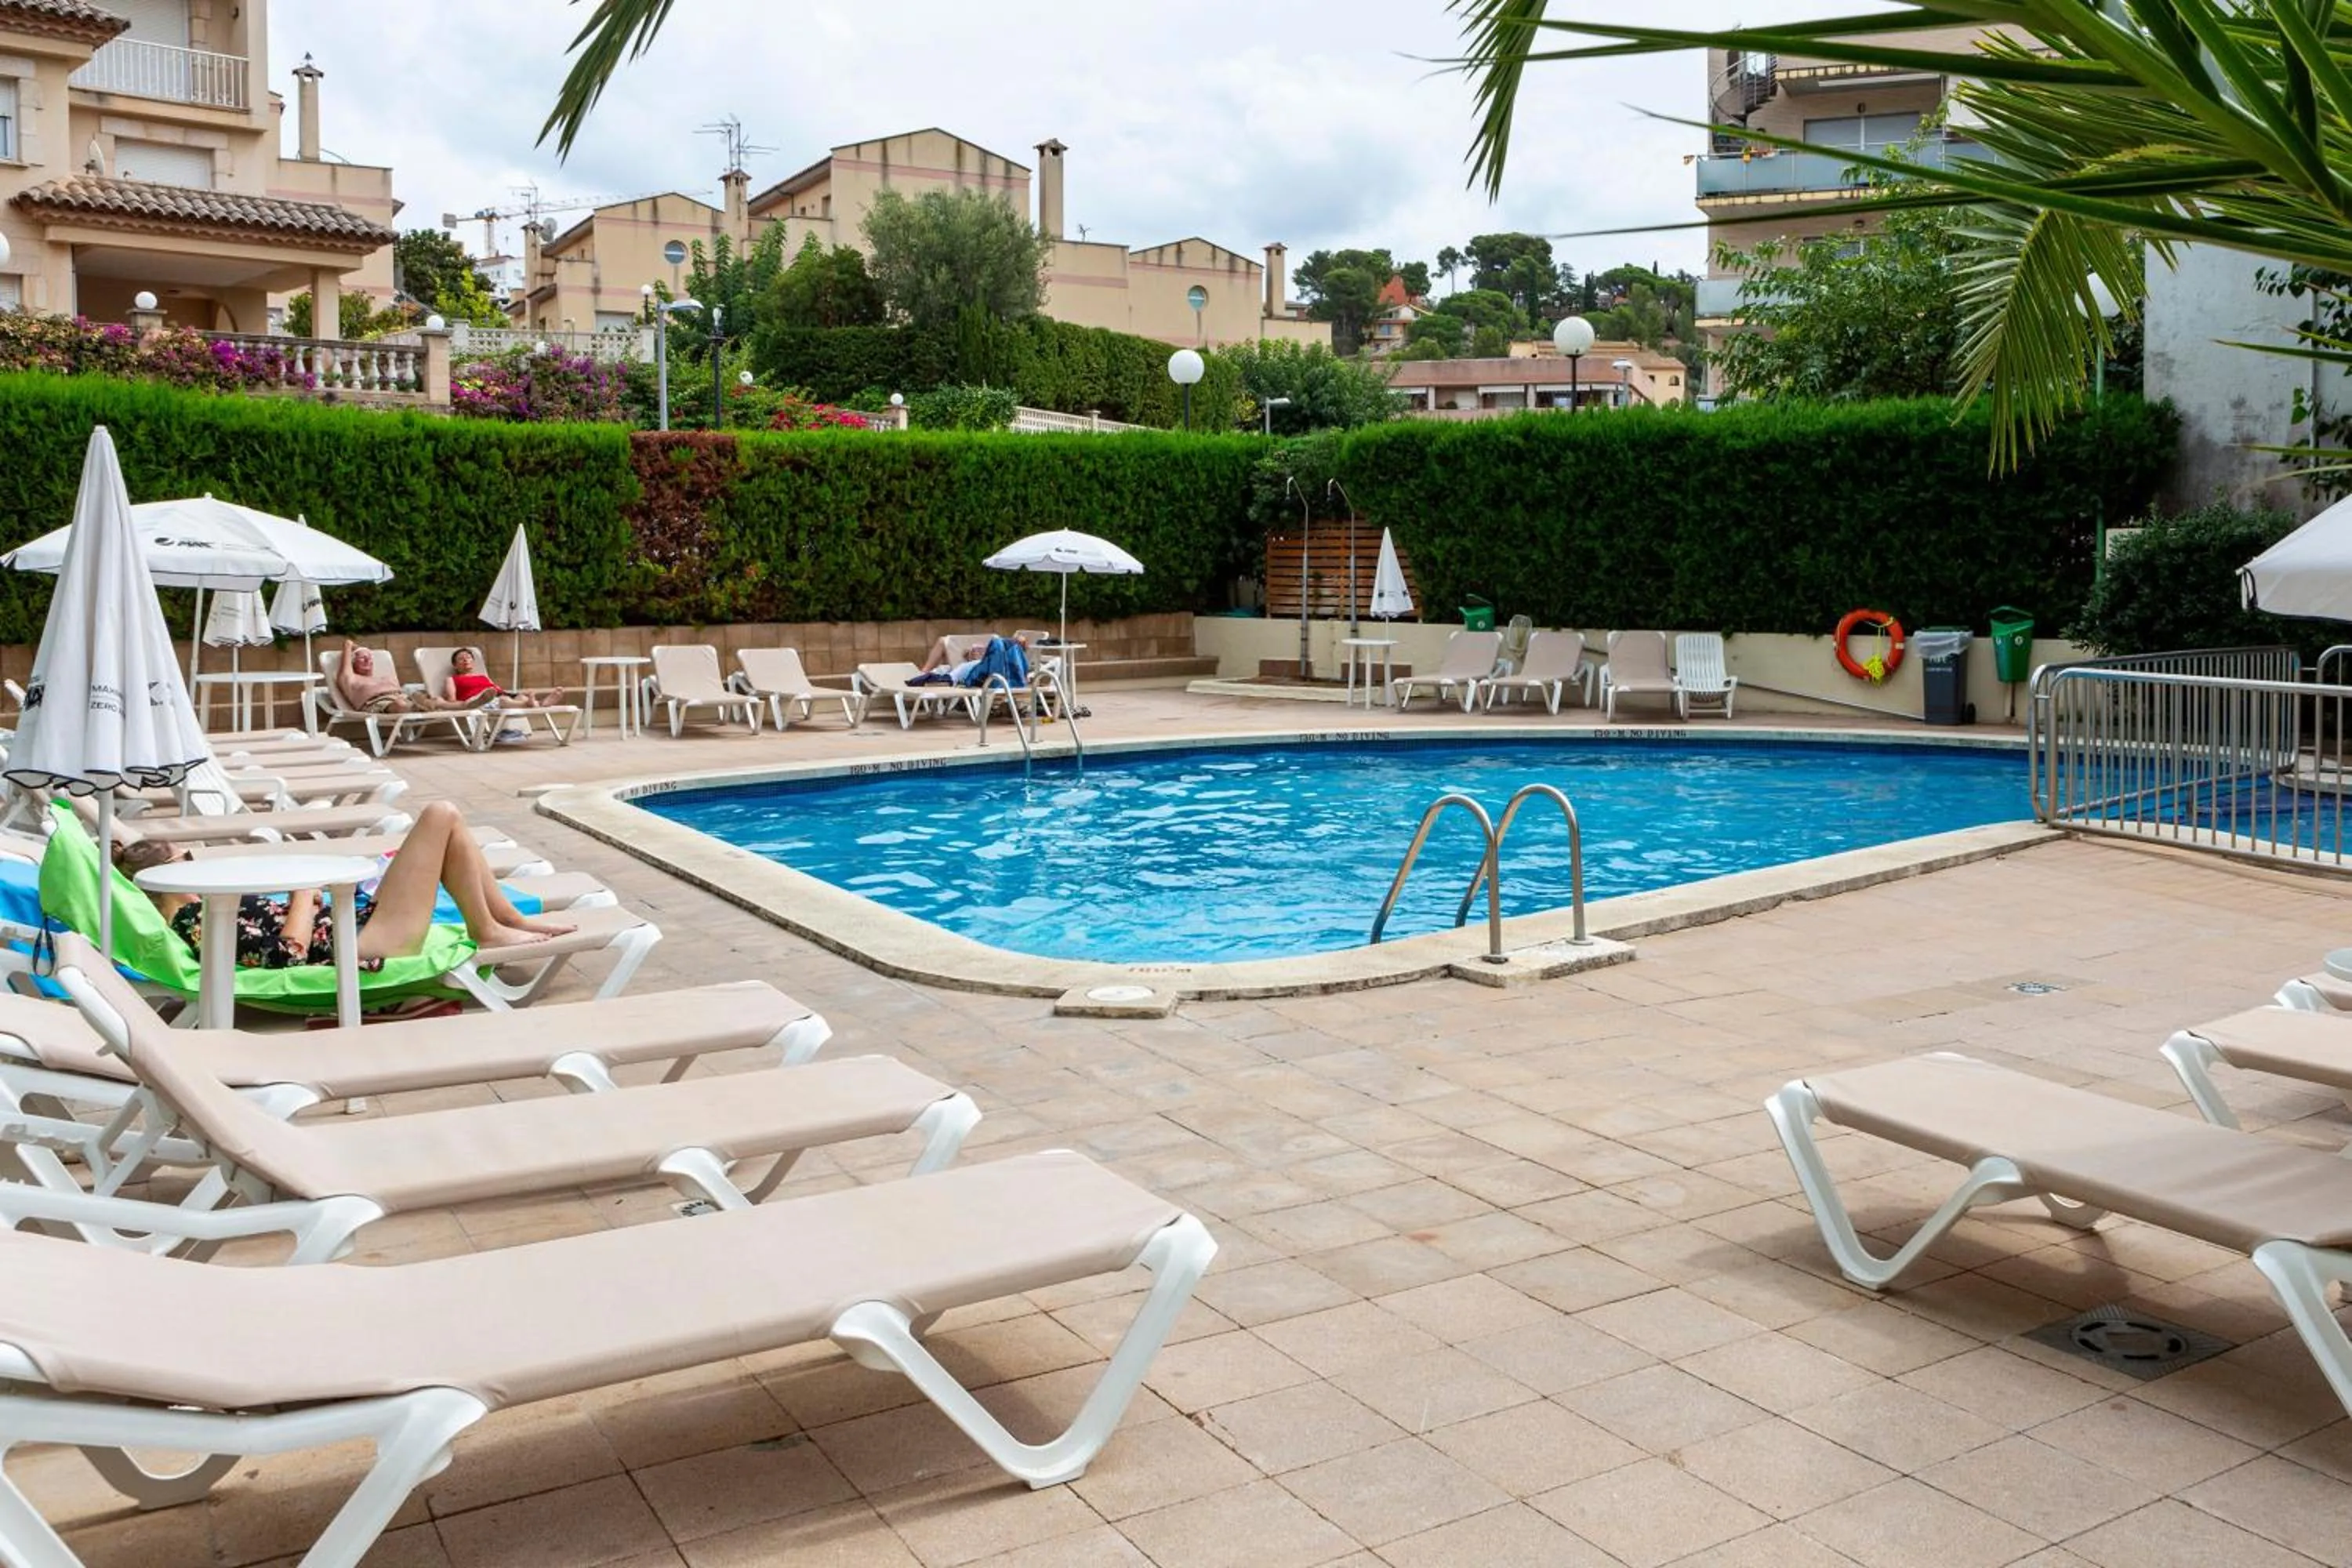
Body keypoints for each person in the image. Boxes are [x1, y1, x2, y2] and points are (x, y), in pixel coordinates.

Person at [118, 800, 574, 973]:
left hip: (358, 920)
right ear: (165, 878)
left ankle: (506, 918)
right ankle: (488, 929)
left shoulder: (203, 910)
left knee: (448, 821)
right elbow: (287, 955)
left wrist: (307, 899)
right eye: (186, 859)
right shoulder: (195, 921)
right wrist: (303, 893)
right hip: (362, 941)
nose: (194, 864)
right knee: (440, 814)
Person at [335, 641, 476, 716]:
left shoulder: (381, 678)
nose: (367, 660)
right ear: (352, 663)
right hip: (378, 703)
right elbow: (347, 643)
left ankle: (466, 705)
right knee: (401, 705)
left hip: (403, 697)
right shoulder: (350, 679)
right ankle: (425, 708)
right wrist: (356, 648)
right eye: (362, 658)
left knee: (434, 700)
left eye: (370, 658)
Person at [441, 648, 565, 710]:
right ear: (455, 665)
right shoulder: (452, 679)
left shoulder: (482, 677)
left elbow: (497, 690)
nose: (465, 660)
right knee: (504, 701)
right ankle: (532, 704)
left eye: (468, 657)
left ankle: (540, 704)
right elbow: (452, 700)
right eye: (461, 659)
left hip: (499, 696)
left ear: (473, 662)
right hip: (479, 702)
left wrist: (514, 695)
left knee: (519, 697)